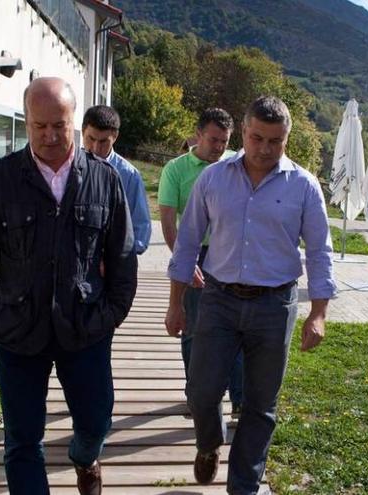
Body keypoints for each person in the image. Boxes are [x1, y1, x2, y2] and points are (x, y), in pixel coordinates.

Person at [0, 77, 137, 495]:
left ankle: (83, 456)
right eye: (39, 126)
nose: (50, 136)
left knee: (96, 422)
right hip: (17, 331)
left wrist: (110, 316)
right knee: (22, 441)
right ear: (26, 122)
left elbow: (123, 257)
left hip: (86, 328)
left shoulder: (104, 180)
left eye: (59, 125)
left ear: (75, 121)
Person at [165, 96, 337, 494]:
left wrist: (319, 312)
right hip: (218, 298)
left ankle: (242, 485)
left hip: (274, 306)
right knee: (201, 391)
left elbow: (319, 250)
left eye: (274, 141)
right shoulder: (213, 178)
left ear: (286, 139)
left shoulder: (304, 186)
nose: (264, 149)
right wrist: (175, 304)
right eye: (257, 138)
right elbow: (188, 241)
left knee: (260, 404)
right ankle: (208, 444)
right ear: (243, 132)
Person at [158, 108, 244, 415]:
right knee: (193, 327)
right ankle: (197, 396)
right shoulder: (176, 170)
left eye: (224, 141)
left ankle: (240, 400)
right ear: (198, 135)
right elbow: (168, 221)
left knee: (236, 328)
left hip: (230, 255)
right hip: (193, 251)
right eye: (213, 140)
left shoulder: (237, 164)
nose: (219, 148)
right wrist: (183, 260)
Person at [82, 105, 151, 255]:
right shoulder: (68, 168)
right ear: (82, 132)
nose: (95, 148)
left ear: (115, 137)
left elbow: (140, 231)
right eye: (91, 139)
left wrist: (117, 258)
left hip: (113, 262)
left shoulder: (129, 175)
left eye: (103, 142)